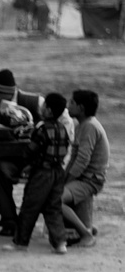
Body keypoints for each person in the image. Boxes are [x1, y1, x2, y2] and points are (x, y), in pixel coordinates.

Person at [9, 92, 71, 254]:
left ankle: (20, 242)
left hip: (42, 173)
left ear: (49, 111)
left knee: (30, 206)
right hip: (58, 172)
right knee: (53, 208)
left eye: (44, 107)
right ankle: (60, 243)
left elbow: (31, 151)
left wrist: (24, 164)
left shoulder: (42, 128)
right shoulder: (63, 128)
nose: (41, 108)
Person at [0, 68, 42, 235]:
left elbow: (64, 122)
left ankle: (27, 223)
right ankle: (10, 221)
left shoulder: (34, 102)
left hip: (35, 160)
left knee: (43, 178)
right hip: (9, 159)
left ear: (8, 93)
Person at [61, 88, 108, 248]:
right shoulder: (82, 125)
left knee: (55, 200)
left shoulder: (89, 127)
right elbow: (74, 157)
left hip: (90, 180)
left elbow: (82, 160)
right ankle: (84, 225)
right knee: (56, 191)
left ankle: (86, 235)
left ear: (81, 108)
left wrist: (68, 180)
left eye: (72, 102)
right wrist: (64, 178)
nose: (68, 105)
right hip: (83, 177)